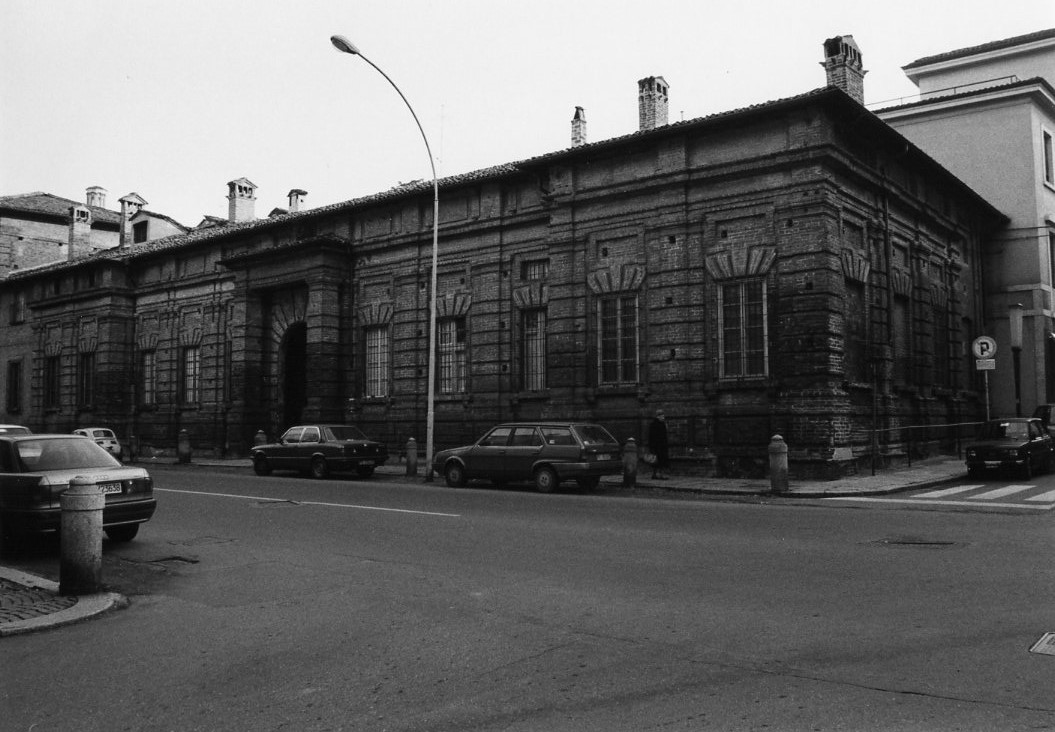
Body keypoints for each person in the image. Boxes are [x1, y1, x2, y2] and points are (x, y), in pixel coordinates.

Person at [647, 409, 669, 480]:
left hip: (658, 446)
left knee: (656, 461)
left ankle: (655, 474)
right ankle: (659, 475)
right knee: (660, 461)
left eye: (663, 416)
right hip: (659, 446)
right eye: (662, 416)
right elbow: (653, 436)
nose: (663, 418)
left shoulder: (656, 424)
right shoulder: (658, 425)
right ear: (658, 416)